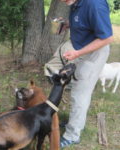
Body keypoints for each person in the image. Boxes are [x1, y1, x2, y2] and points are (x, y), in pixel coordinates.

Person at [44, 0, 113, 148]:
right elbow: (84, 21)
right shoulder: (75, 3)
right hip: (80, 48)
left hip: (94, 53)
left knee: (80, 93)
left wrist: (78, 53)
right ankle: (73, 121)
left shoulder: (95, 4)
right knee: (72, 84)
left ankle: (72, 135)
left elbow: (107, 38)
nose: (63, 1)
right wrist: (68, 24)